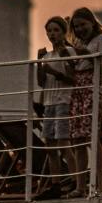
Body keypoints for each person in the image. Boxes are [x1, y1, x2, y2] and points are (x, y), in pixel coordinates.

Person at [67, 7, 102, 193]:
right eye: (76, 26)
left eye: (83, 25)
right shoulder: (78, 43)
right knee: (77, 140)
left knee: (93, 138)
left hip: (93, 89)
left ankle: (98, 183)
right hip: (79, 92)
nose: (80, 29)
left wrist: (82, 53)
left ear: (92, 23)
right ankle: (81, 186)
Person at [35, 16, 76, 179]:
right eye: (49, 31)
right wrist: (39, 62)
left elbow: (74, 79)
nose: (52, 34)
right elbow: (41, 82)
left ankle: (75, 179)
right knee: (50, 145)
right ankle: (55, 182)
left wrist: (55, 73)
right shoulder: (47, 56)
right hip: (49, 102)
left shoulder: (69, 52)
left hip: (64, 101)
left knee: (64, 143)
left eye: (56, 30)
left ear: (64, 32)